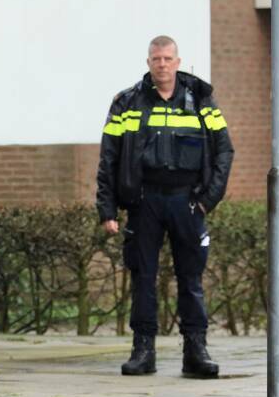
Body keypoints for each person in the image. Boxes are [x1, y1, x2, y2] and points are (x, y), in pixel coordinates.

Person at [96, 35, 233, 378]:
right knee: (143, 277)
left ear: (178, 62)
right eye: (156, 59)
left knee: (191, 279)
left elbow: (224, 152)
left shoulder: (201, 101)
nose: (161, 64)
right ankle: (143, 350)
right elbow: (109, 157)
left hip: (188, 202)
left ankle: (195, 351)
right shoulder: (128, 103)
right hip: (145, 201)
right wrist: (107, 209)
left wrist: (207, 202)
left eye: (167, 59)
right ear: (148, 63)